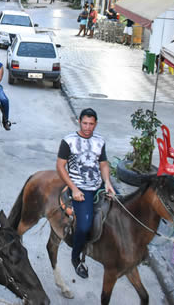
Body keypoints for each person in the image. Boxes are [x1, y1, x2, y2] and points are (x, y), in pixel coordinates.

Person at [56, 108, 115, 279]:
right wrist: (74, 189)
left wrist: (108, 182)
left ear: (96, 123)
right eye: (84, 123)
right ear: (79, 122)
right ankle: (76, 258)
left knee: (122, 209)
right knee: (84, 225)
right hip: (80, 188)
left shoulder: (99, 141)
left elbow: (103, 164)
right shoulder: (68, 141)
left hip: (98, 184)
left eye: (91, 124)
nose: (88, 127)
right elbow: (60, 167)